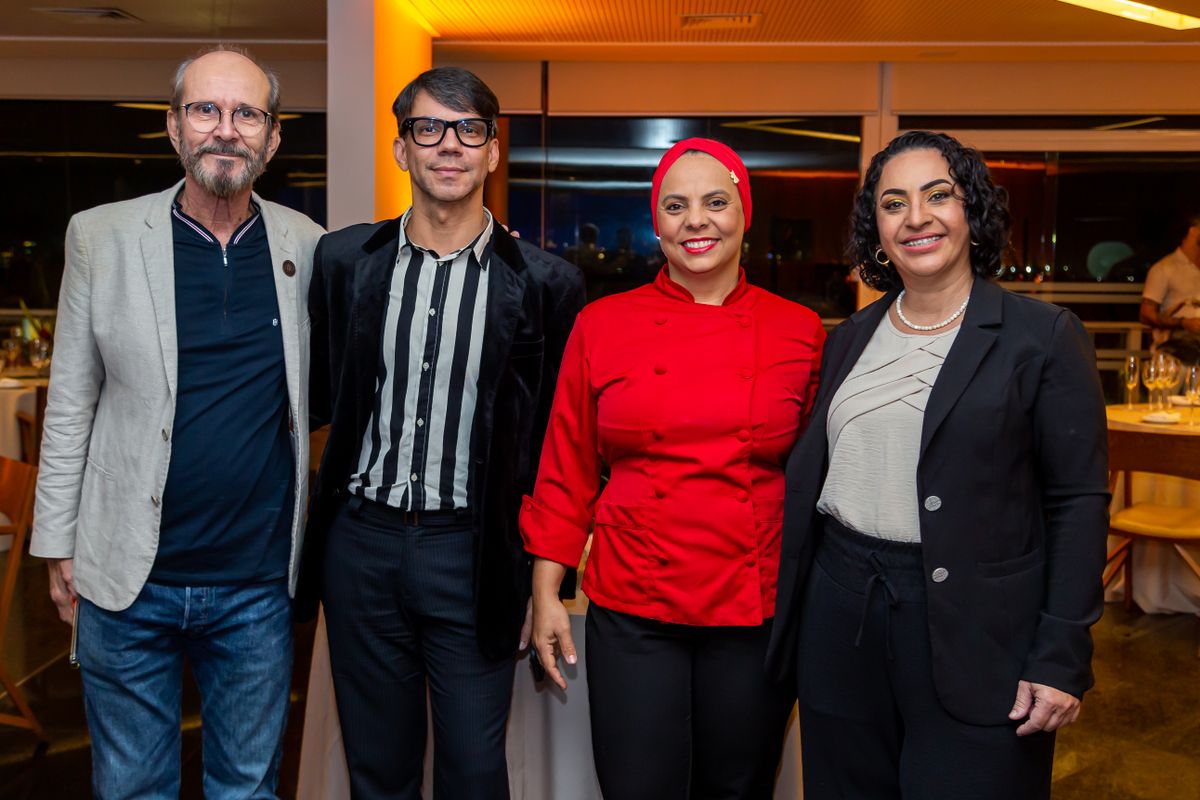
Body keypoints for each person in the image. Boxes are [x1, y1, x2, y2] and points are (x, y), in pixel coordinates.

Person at [767, 130, 1109, 799]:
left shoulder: (1040, 336)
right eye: (894, 204)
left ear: (970, 210)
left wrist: (1061, 654)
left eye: (937, 195)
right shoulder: (852, 337)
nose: (916, 217)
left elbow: (1077, 502)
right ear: (877, 229)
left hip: (980, 630)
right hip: (842, 613)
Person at [30, 45, 323, 798]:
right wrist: (56, 545)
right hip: (126, 579)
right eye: (205, 110)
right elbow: (69, 404)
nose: (225, 130)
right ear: (173, 126)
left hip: (257, 584)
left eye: (246, 113)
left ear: (272, 137)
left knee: (247, 789)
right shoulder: (100, 236)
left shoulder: (310, 248)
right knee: (131, 788)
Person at [300, 66, 584, 799]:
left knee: (473, 771)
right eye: (428, 129)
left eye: (468, 130)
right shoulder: (343, 262)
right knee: (378, 769)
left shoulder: (549, 284)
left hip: (475, 553)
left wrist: (547, 574)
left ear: (492, 150)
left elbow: (562, 442)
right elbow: (319, 398)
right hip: (360, 548)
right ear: (403, 149)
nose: (448, 145)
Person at [522, 138, 826, 799]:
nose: (697, 221)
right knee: (637, 786)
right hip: (634, 606)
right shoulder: (602, 325)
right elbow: (566, 466)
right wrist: (547, 594)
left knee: (739, 787)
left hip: (754, 610)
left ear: (744, 212)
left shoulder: (799, 332)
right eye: (676, 205)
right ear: (655, 222)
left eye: (716, 202)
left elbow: (817, 482)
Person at [1141, 212, 1200, 363]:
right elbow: (1146, 314)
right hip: (1176, 354)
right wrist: (1184, 323)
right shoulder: (1164, 268)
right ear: (1193, 231)